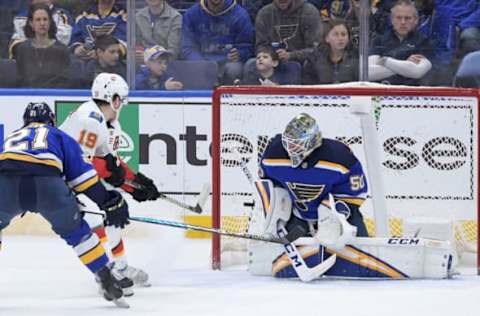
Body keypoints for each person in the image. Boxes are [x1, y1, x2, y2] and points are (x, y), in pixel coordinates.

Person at [0, 102, 130, 305]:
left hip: (5, 185)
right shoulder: (58, 135)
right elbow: (84, 178)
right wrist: (107, 201)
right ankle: (105, 277)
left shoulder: (10, 137)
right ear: (51, 120)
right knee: (78, 233)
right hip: (48, 186)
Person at [60, 73, 160, 290]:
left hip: (76, 178)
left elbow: (111, 165)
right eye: (122, 100)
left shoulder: (109, 124)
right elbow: (80, 164)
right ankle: (105, 273)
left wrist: (137, 185)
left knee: (115, 210)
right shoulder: (89, 119)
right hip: (60, 180)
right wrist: (115, 176)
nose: (122, 105)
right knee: (97, 219)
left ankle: (120, 267)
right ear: (114, 99)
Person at [258, 113, 368, 278]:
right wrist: (277, 211)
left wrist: (331, 214)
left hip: (336, 214)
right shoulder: (274, 153)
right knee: (279, 261)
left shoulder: (339, 157)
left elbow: (355, 194)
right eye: (288, 143)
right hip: (298, 218)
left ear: (312, 141)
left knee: (362, 256)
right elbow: (269, 184)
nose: (290, 149)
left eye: (296, 145)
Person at [181, 0, 254, 84]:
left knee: (235, 69)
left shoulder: (240, 15)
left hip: (228, 63)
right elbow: (187, 47)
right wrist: (200, 63)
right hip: (201, 61)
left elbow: (247, 45)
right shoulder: (191, 14)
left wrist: (241, 53)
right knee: (194, 68)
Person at [368, 0, 434, 85]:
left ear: (416, 20)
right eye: (399, 18)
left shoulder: (425, 42)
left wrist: (384, 61)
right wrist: (406, 63)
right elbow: (370, 73)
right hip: (382, 92)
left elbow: (418, 72)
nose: (403, 22)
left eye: (407, 18)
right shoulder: (378, 40)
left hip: (411, 93)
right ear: (392, 20)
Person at [9, 3, 71, 88]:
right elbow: (20, 80)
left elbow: (66, 81)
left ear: (50, 22)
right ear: (31, 23)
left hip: (53, 96)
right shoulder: (22, 49)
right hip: (27, 97)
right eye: (38, 20)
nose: (42, 23)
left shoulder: (62, 50)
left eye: (45, 19)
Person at [302, 19, 358, 84]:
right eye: (336, 34)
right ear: (327, 38)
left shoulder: (357, 57)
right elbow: (308, 86)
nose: (340, 38)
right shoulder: (314, 59)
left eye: (343, 34)